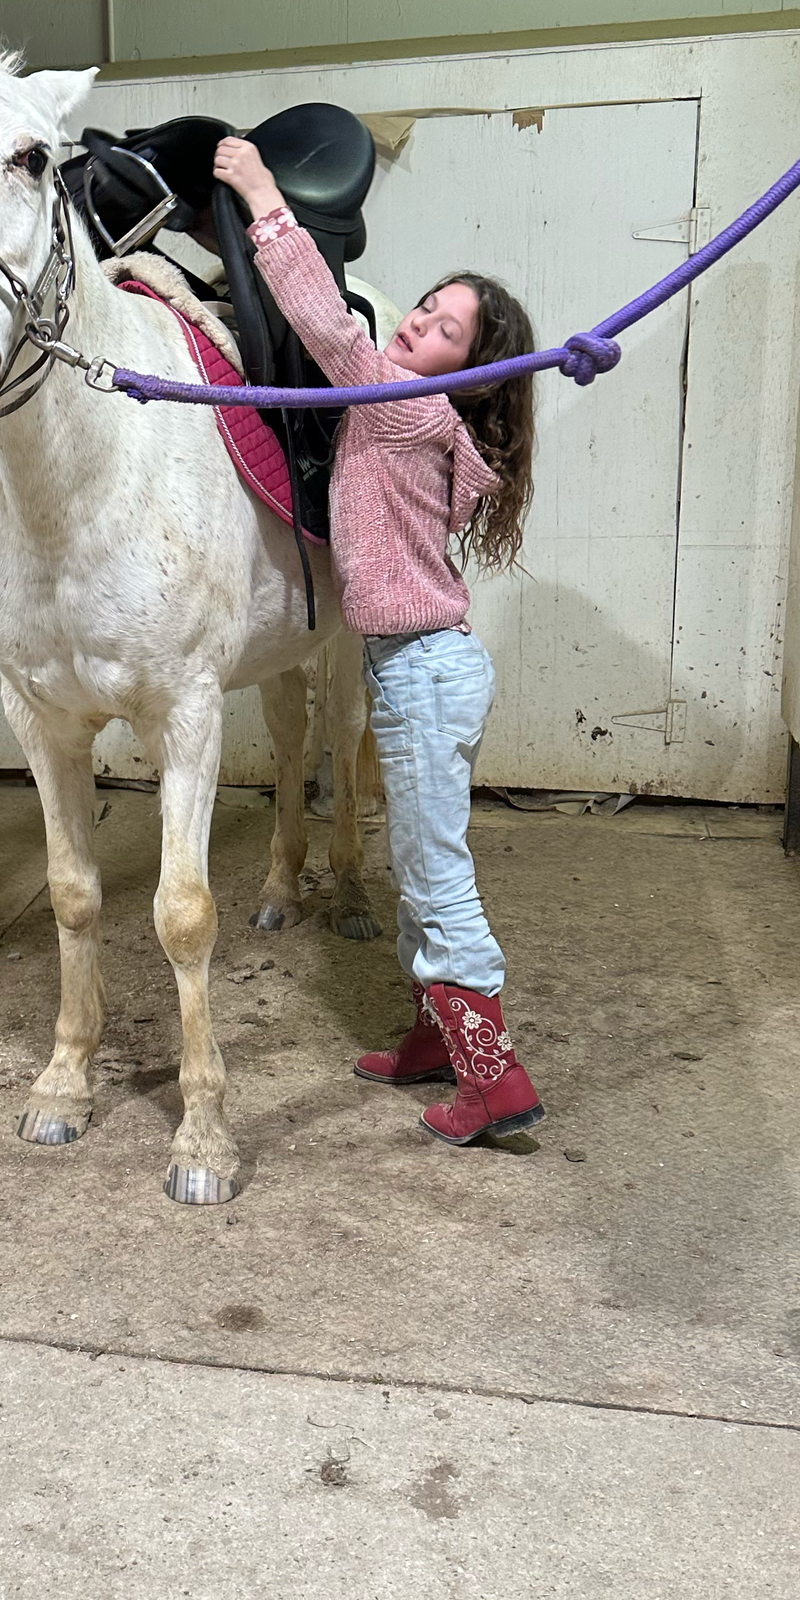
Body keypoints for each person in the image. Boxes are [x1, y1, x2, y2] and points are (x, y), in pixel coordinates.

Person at [211, 134, 542, 1148]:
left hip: (423, 672)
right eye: (425, 310)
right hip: (421, 669)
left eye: (445, 330)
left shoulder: (402, 408)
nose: (417, 327)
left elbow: (318, 315)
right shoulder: (419, 412)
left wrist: (263, 192)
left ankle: (495, 1080)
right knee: (418, 862)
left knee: (437, 877)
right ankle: (434, 1039)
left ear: (470, 373)